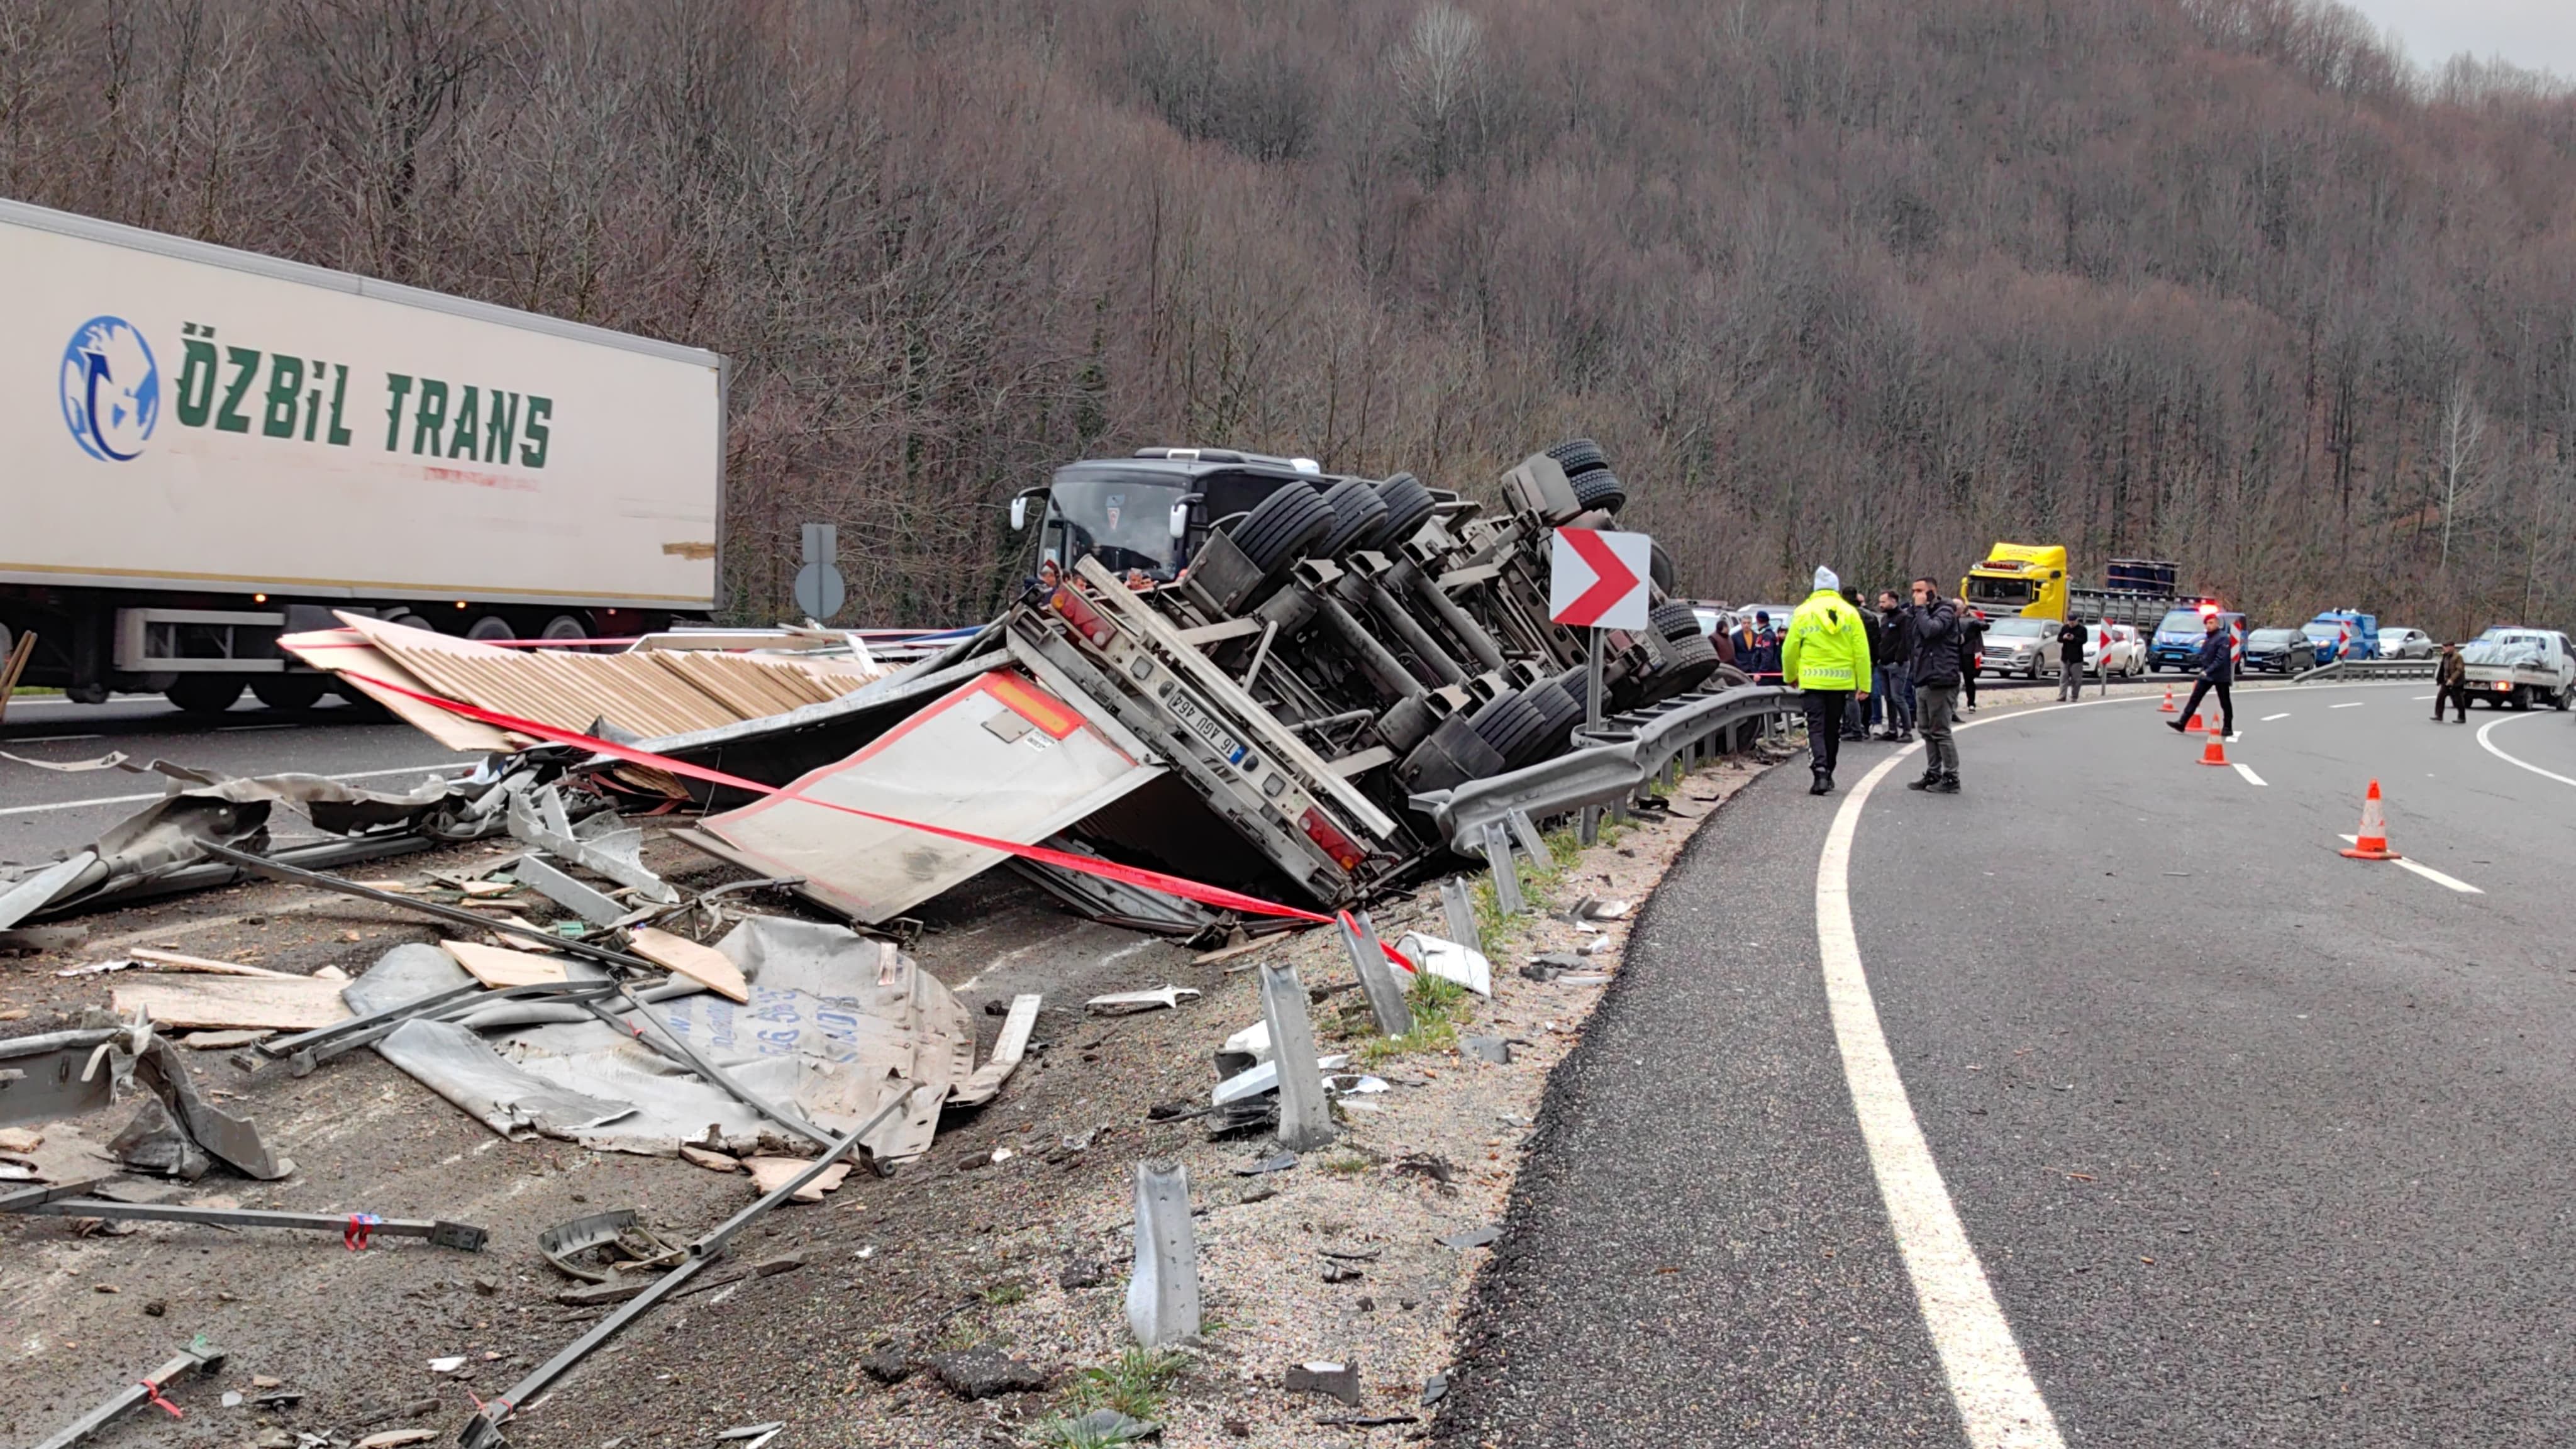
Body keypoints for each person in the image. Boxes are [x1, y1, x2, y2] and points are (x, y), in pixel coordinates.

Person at [1783, 567, 1871, 795]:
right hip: (1841, 683)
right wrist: (1865, 684)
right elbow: (1862, 651)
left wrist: (1790, 675)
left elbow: (1790, 649)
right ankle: (1829, 772)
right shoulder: (1851, 612)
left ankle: (1819, 770)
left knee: (1815, 727)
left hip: (1812, 681)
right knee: (1833, 729)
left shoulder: (1803, 612)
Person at [1899, 579, 1963, 792]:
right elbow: (1913, 639)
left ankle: (1951, 777)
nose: (1915, 594)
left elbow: (1931, 631)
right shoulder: (1920, 613)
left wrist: (1919, 609)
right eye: (1913, 590)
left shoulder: (1946, 611)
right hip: (1923, 676)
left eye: (1919, 591)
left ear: (1931, 592)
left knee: (1940, 730)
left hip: (1941, 678)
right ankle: (1933, 773)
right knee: (1926, 729)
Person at [2165, 608, 2236, 738]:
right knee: (2195, 698)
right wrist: (2194, 663)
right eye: (2207, 623)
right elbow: (2203, 655)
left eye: (2211, 623)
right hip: (2207, 675)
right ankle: (2182, 722)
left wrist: (2208, 670)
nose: (2209, 626)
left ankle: (2228, 727)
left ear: (2217, 624)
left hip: (2220, 676)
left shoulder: (2223, 638)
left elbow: (2221, 659)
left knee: (2225, 701)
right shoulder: (2208, 638)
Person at [1875, 590, 1916, 741]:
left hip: (1897, 664)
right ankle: (1892, 730)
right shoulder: (1885, 619)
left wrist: (1898, 660)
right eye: (1880, 602)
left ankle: (1907, 731)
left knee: (1898, 697)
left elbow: (1906, 641)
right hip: (1883, 663)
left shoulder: (1904, 618)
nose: (1881, 605)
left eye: (1884, 602)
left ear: (1893, 601)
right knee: (1889, 698)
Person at [1958, 608, 1987, 711]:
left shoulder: (1954, 620)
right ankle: (1971, 703)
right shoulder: (1974, 622)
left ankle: (1953, 705)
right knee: (1969, 680)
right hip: (1970, 652)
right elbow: (1986, 626)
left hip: (1956, 651)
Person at [2434, 640, 2468, 723]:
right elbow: (2443, 669)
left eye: (2446, 647)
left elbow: (2459, 670)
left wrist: (2452, 679)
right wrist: (2441, 679)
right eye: (2444, 647)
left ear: (2452, 647)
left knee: (2458, 700)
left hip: (2456, 682)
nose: (2444, 649)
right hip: (2446, 681)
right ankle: (2439, 715)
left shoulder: (2458, 657)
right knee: (2440, 697)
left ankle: (2462, 718)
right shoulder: (2445, 656)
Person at [2056, 616, 2087, 702]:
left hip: (2077, 658)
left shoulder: (2082, 629)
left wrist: (2074, 639)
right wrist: (2064, 637)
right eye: (2070, 622)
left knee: (2076, 680)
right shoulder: (2065, 628)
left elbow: (2084, 641)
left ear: (2077, 621)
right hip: (2065, 657)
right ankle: (2062, 696)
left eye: (2073, 622)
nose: (2071, 624)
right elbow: (2058, 639)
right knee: (2063, 677)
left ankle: (2074, 696)